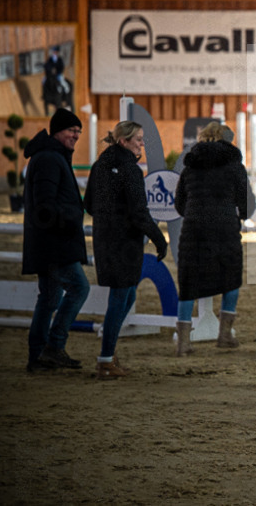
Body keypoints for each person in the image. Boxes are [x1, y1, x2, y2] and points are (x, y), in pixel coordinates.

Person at [84, 121, 168, 380]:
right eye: (138, 139)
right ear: (124, 141)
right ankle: (105, 359)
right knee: (121, 299)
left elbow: (89, 205)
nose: (142, 143)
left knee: (127, 297)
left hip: (104, 240)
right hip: (125, 245)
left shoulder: (99, 166)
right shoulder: (131, 170)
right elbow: (139, 213)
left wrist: (109, 216)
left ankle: (109, 353)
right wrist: (159, 239)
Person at [173, 121, 256, 356]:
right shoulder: (234, 166)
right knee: (231, 277)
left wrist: (195, 214)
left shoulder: (190, 166)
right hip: (224, 229)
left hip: (193, 230)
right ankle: (225, 335)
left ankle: (183, 343)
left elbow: (179, 204)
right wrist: (239, 214)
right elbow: (247, 204)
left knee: (188, 283)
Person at [22, 107, 90, 373]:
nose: (76, 136)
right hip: (55, 244)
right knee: (79, 288)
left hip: (49, 243)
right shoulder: (50, 159)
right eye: (72, 130)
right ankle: (54, 345)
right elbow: (45, 205)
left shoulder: (51, 156)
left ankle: (38, 356)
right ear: (58, 131)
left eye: (78, 131)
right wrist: (72, 216)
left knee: (49, 299)